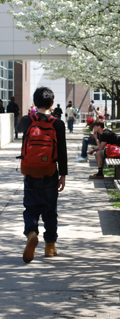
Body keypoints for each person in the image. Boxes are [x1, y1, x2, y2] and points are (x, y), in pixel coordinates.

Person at [16, 86, 67, 263]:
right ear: (52, 103)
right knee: (50, 211)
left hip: (30, 174)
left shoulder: (26, 121)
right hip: (50, 174)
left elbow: (18, 127)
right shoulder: (58, 123)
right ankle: (50, 247)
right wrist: (63, 175)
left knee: (31, 209)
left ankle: (31, 233)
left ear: (34, 102)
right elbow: (62, 151)